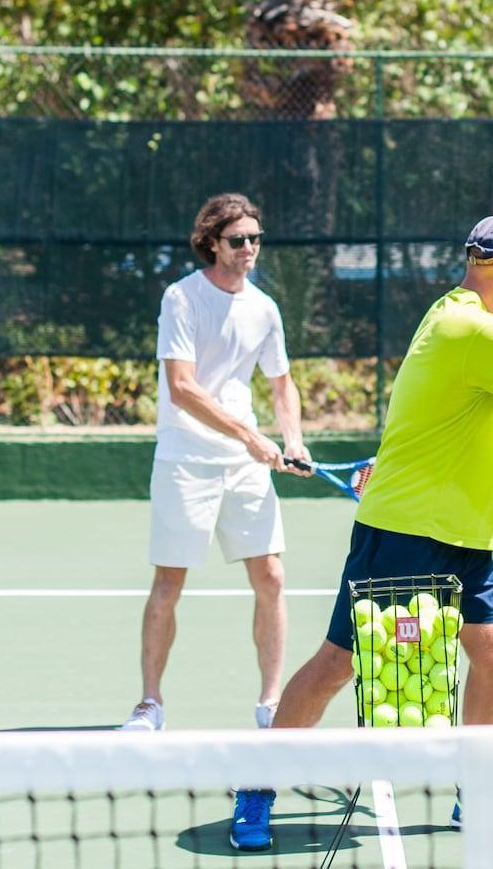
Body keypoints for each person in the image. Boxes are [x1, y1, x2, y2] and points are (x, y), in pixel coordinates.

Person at [225, 215, 493, 853]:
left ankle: (480, 792)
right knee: (339, 662)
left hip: (463, 535)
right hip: (406, 530)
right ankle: (256, 783)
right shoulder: (481, 330)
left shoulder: (451, 313)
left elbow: (465, 404)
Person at [119, 194, 307, 734]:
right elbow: (182, 388)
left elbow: (281, 382)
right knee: (169, 583)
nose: (249, 249)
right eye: (238, 240)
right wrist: (250, 435)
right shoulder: (181, 299)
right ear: (212, 243)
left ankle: (271, 704)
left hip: (245, 465)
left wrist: (291, 439)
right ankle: (149, 704)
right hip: (187, 458)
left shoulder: (264, 309)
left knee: (271, 576)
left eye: (255, 239)